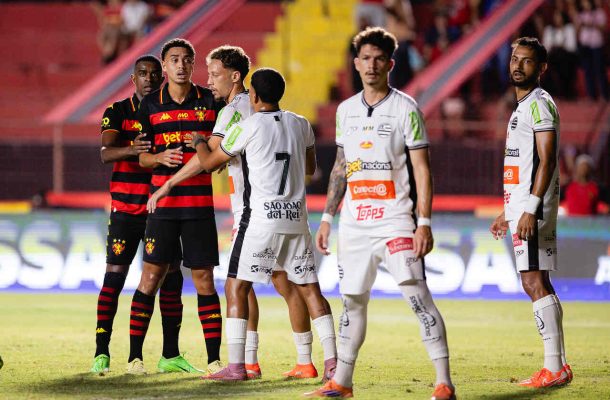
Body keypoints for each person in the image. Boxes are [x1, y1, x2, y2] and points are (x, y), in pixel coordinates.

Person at [149, 45, 327, 380]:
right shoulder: (281, 116)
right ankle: (305, 361)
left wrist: (169, 183)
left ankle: (247, 362)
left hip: (252, 211)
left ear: (235, 77)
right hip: (285, 210)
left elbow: (207, 158)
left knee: (240, 285)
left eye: (214, 74)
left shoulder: (232, 111)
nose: (208, 81)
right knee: (287, 283)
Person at [307, 27, 455, 400]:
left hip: (396, 221)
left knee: (417, 296)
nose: (371, 65)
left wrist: (424, 223)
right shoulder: (345, 110)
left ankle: (444, 383)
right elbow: (341, 166)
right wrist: (327, 217)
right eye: (365, 58)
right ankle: (342, 382)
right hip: (354, 224)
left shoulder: (406, 108)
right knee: (352, 301)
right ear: (356, 64)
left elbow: (422, 169)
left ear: (390, 64)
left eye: (379, 59)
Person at [126, 38, 225, 375]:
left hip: (199, 206)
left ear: (193, 64)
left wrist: (207, 152)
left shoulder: (210, 101)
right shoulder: (150, 105)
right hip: (163, 207)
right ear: (165, 66)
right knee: (151, 277)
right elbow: (141, 157)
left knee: (204, 280)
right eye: (174, 60)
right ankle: (135, 358)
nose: (181, 65)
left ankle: (214, 360)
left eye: (186, 59)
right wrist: (158, 158)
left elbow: (220, 150)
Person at [91, 55, 192, 374]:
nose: (149, 78)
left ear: (162, 78)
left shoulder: (168, 112)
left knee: (172, 276)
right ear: (133, 79)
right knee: (114, 277)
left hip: (161, 209)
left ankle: (170, 354)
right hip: (125, 209)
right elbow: (105, 153)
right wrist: (132, 149)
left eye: (154, 74)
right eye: (142, 74)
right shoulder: (118, 111)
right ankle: (101, 351)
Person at [490, 37, 572, 388]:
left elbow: (547, 159)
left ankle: (554, 368)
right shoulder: (524, 106)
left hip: (533, 209)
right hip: (524, 207)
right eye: (514, 59)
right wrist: (508, 211)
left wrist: (530, 209)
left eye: (526, 61)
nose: (517, 66)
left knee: (532, 281)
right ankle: (558, 366)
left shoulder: (538, 104)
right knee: (539, 282)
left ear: (541, 68)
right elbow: (524, 165)